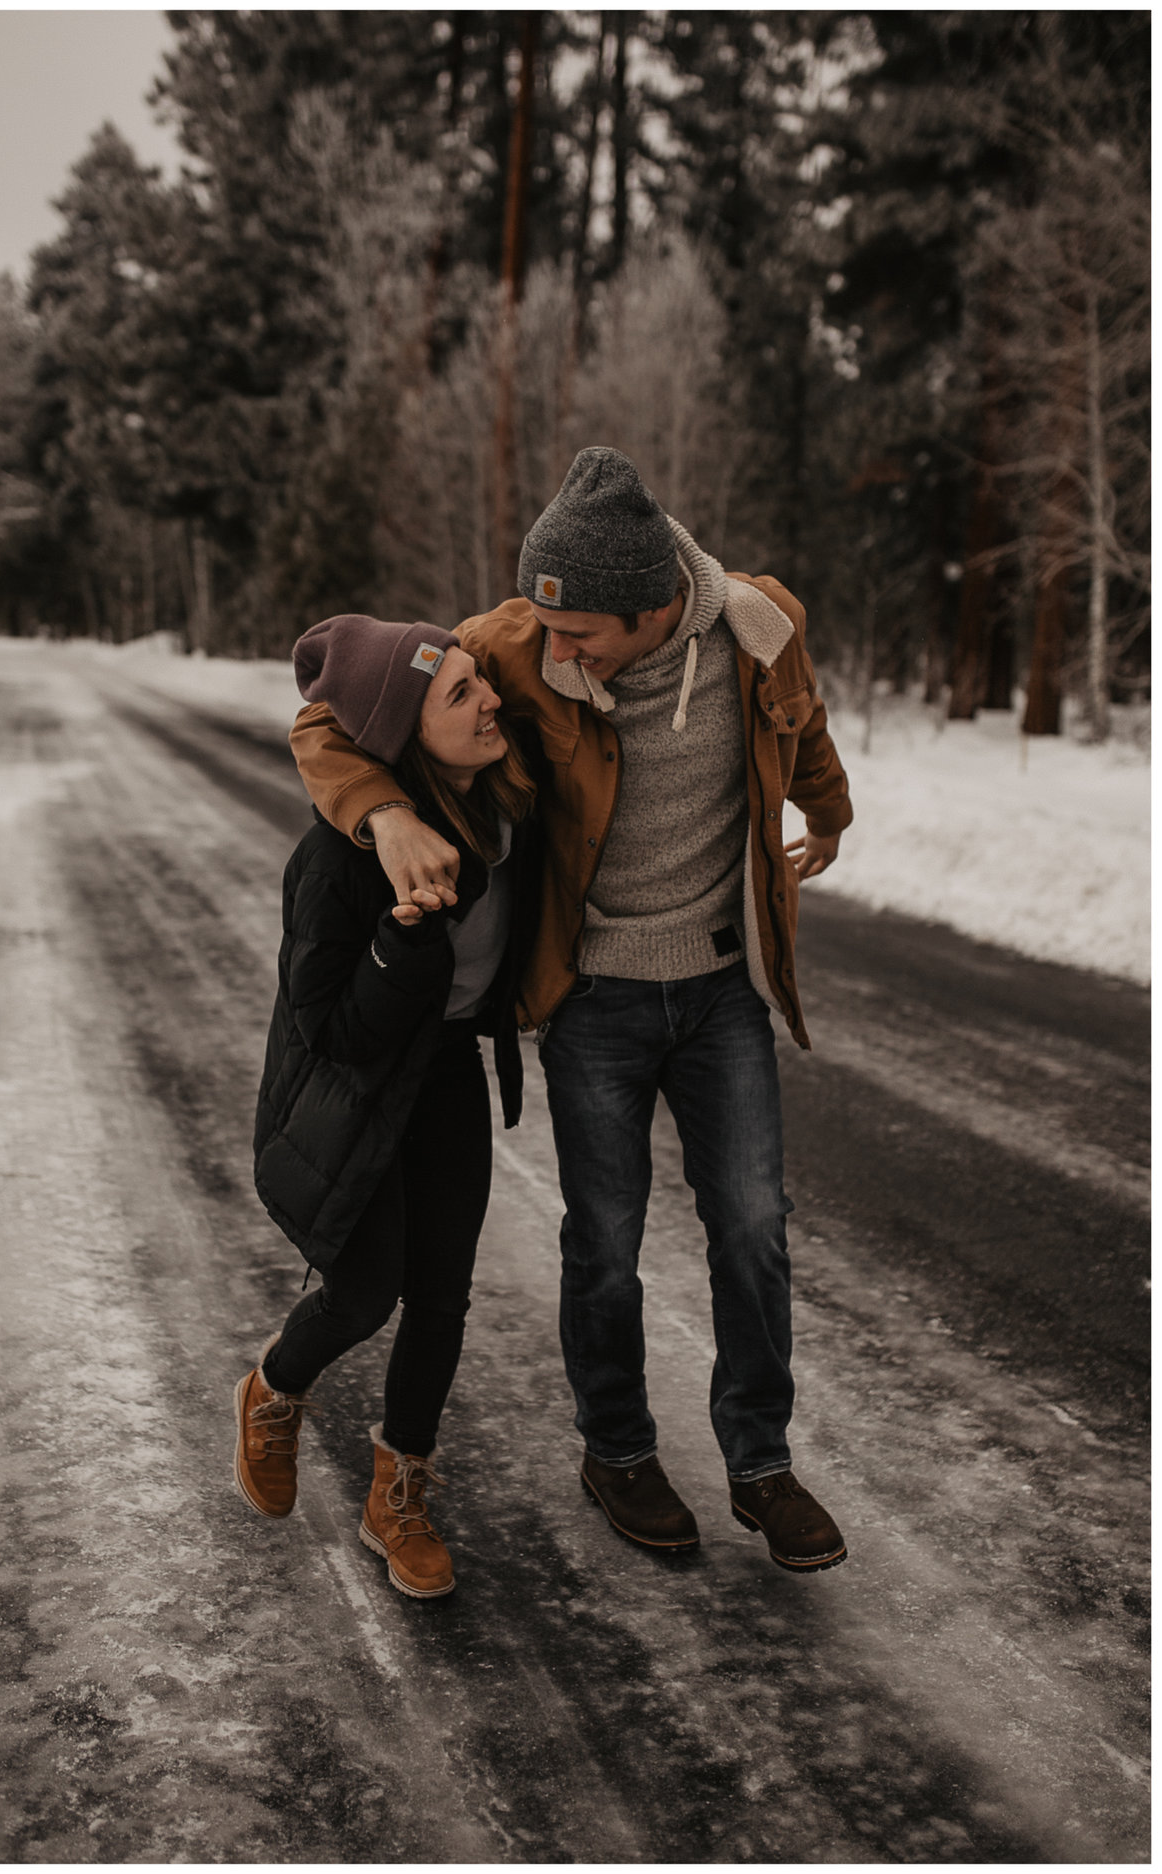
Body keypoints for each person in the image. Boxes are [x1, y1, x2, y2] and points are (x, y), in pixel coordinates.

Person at [288, 446, 854, 1573]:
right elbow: (326, 721)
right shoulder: (515, 636)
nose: (549, 656)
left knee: (751, 1226)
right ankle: (616, 1448)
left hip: (720, 984)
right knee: (604, 1239)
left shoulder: (758, 625)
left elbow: (802, 718)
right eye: (544, 633)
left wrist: (827, 809)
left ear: (651, 612)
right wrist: (384, 820)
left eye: (579, 637)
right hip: (593, 993)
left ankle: (759, 1463)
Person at [240, 614, 537, 1599]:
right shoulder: (333, 862)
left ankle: (397, 1493)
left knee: (442, 1293)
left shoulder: (502, 798)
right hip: (358, 1090)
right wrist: (404, 943)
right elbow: (334, 1034)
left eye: (477, 682)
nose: (488, 697)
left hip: (448, 1067)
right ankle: (275, 1385)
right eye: (459, 693)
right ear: (407, 734)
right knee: (365, 1290)